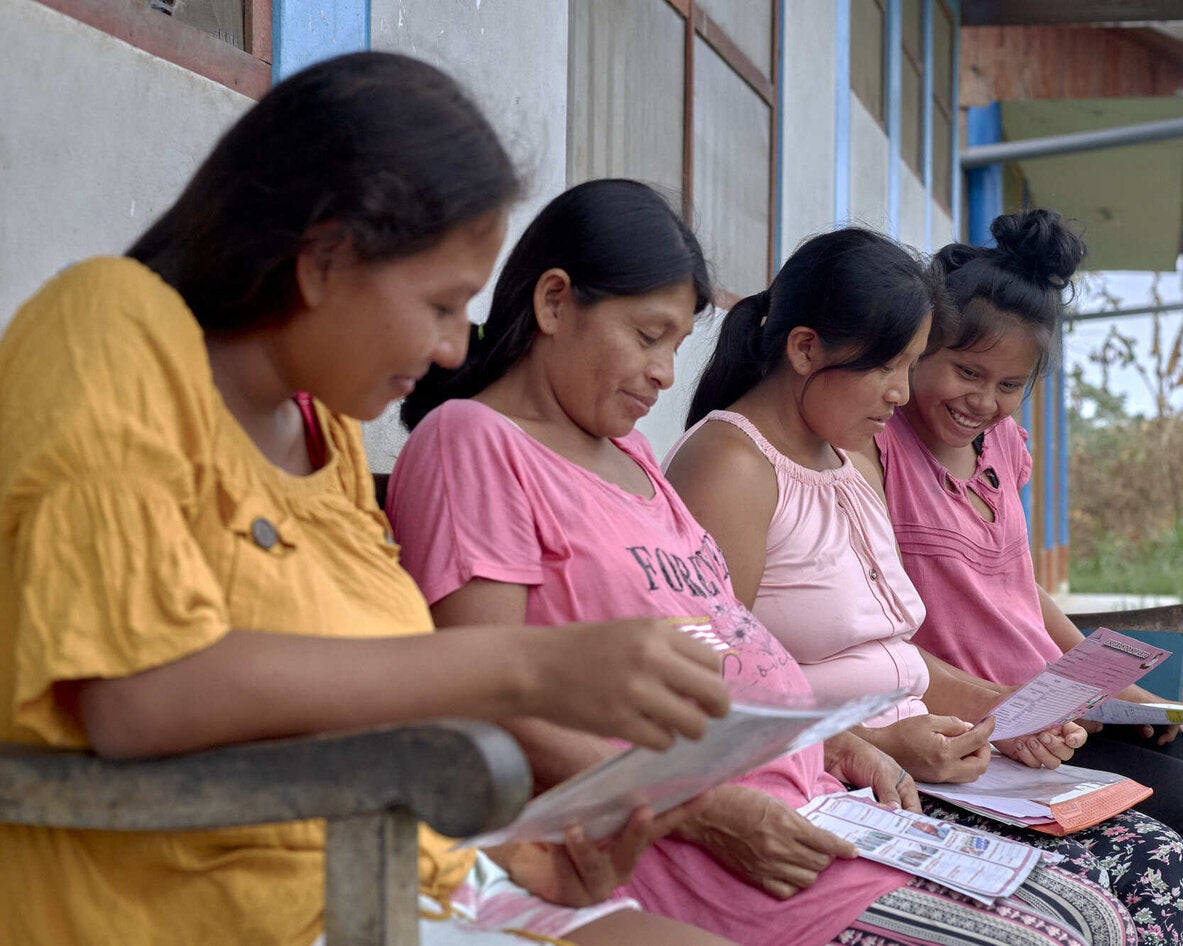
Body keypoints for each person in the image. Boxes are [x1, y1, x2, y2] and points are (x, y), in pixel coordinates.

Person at [0, 52, 737, 946]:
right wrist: (536, 667)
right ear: (325, 258)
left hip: (391, 875)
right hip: (211, 910)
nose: (452, 349)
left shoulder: (323, 428)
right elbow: (139, 695)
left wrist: (510, 853)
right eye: (439, 304)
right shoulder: (112, 327)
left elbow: (343, 706)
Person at [389, 179, 1140, 946]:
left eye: (676, 347)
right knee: (1059, 938)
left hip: (813, 798)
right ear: (554, 305)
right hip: (690, 839)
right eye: (648, 337)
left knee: (1097, 916)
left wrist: (843, 745)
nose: (663, 373)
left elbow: (731, 642)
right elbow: (485, 700)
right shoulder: (475, 444)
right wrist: (706, 811)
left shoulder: (635, 462)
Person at [664, 227, 1183, 946]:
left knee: (1156, 856)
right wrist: (872, 742)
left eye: (911, 365)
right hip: (843, 778)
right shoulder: (730, 464)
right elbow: (714, 686)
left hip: (923, 756)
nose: (901, 393)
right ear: (805, 350)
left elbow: (896, 656)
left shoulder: (845, 456)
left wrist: (1001, 720)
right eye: (892, 366)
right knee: (1100, 899)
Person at [866, 208, 1183, 946]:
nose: (982, 402)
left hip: (1057, 709)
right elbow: (871, 630)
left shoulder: (1003, 446)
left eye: (1010, 384)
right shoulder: (880, 449)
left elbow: (1020, 590)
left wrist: (1119, 691)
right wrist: (1021, 707)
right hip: (984, 723)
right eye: (965, 371)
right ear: (919, 348)